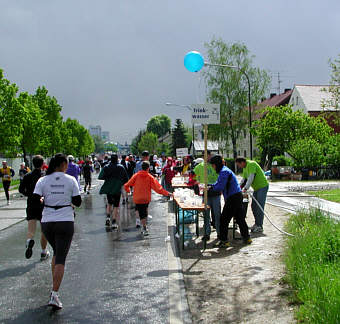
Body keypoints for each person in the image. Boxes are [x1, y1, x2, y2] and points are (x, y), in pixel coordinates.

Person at [32, 153, 82, 309]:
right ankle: (54, 293)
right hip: (65, 220)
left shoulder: (43, 180)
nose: (67, 167)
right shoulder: (70, 180)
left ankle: (54, 286)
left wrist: (44, 200)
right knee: (61, 257)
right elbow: (78, 202)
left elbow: (35, 199)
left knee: (56, 252)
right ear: (62, 165)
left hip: (47, 221)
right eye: (66, 164)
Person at [209, 155, 252, 247]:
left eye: (213, 165)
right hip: (237, 196)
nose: (212, 167)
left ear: (216, 164)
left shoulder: (224, 172)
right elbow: (218, 183)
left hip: (233, 197)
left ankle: (224, 241)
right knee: (240, 219)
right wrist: (211, 185)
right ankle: (247, 238)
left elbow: (220, 186)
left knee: (224, 220)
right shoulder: (224, 170)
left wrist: (210, 189)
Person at [124, 161, 171, 236]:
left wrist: (128, 191)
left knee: (141, 212)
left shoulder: (136, 175)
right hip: (146, 198)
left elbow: (127, 185)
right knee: (144, 211)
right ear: (148, 168)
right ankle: (144, 227)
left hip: (137, 197)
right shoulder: (150, 177)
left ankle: (144, 226)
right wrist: (167, 193)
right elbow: (158, 189)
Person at [19, 155, 50, 261]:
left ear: (33, 164)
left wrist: (29, 194)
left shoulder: (27, 176)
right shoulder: (45, 176)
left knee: (31, 227)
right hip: (43, 204)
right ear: (42, 164)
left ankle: (29, 240)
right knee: (44, 230)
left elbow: (21, 189)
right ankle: (43, 251)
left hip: (31, 203)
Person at [193, 151, 221, 241]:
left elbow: (221, 176)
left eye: (208, 155)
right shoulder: (200, 167)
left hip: (216, 192)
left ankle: (219, 233)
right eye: (204, 156)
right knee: (206, 214)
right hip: (205, 193)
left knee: (217, 214)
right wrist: (196, 183)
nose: (207, 157)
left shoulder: (215, 165)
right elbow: (193, 176)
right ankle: (206, 233)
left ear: (210, 155)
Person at [236, 157, 269, 233]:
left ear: (242, 162)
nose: (239, 167)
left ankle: (260, 226)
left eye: (239, 165)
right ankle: (257, 223)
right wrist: (237, 188)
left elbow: (251, 178)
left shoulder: (251, 164)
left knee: (259, 206)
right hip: (257, 188)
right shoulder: (245, 168)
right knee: (254, 206)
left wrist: (245, 188)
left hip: (262, 186)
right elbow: (244, 180)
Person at [99, 154, 129, 229]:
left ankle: (108, 217)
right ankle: (114, 222)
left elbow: (100, 176)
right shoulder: (121, 167)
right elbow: (126, 179)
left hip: (108, 188)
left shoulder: (106, 167)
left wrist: (107, 177)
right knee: (116, 205)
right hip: (117, 188)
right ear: (117, 159)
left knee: (109, 203)